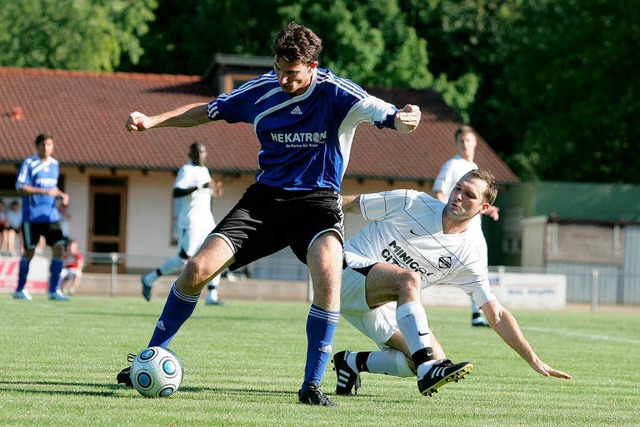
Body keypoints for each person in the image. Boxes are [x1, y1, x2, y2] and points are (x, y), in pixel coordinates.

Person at [117, 22, 421, 406]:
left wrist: (405, 119)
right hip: (265, 201)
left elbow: (387, 114)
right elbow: (206, 110)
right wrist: (153, 120)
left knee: (328, 282)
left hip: (318, 205)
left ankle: (311, 385)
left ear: (313, 66)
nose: (283, 80)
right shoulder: (261, 90)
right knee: (196, 269)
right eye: (278, 69)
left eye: (292, 74)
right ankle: (147, 357)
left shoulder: (338, 93)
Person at [332, 169, 572, 397]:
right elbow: (349, 203)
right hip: (343, 276)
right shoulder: (412, 202)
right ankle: (428, 369)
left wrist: (533, 358)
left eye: (469, 195)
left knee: (430, 356)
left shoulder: (467, 257)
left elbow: (496, 314)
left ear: (483, 208)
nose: (458, 196)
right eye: (458, 188)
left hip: (381, 304)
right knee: (409, 280)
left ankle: (350, 362)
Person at [140, 142, 224, 305]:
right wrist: (200, 186)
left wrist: (215, 190)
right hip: (190, 221)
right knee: (183, 260)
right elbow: (177, 191)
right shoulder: (186, 170)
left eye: (204, 152)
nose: (201, 155)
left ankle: (212, 296)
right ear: (190, 154)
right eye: (198, 152)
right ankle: (149, 279)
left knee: (218, 253)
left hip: (206, 220)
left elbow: (208, 190)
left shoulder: (205, 171)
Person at [433, 125, 499, 327]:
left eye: (468, 140)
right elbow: (439, 192)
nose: (465, 144)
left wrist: (489, 209)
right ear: (457, 144)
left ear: (475, 142)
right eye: (461, 141)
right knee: (435, 269)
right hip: (457, 230)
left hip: (474, 230)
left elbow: (474, 202)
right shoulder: (451, 165)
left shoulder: (475, 167)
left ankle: (478, 314)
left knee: (480, 270)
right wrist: (448, 218)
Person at [13, 133, 70, 301]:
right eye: (43, 145)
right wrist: (45, 192)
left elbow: (52, 187)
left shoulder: (55, 165)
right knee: (29, 252)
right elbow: (20, 186)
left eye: (49, 144)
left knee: (59, 248)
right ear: (37, 146)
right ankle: (20, 289)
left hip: (51, 216)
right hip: (32, 217)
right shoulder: (29, 163)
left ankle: (54, 291)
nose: (46, 148)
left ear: (53, 147)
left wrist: (61, 195)